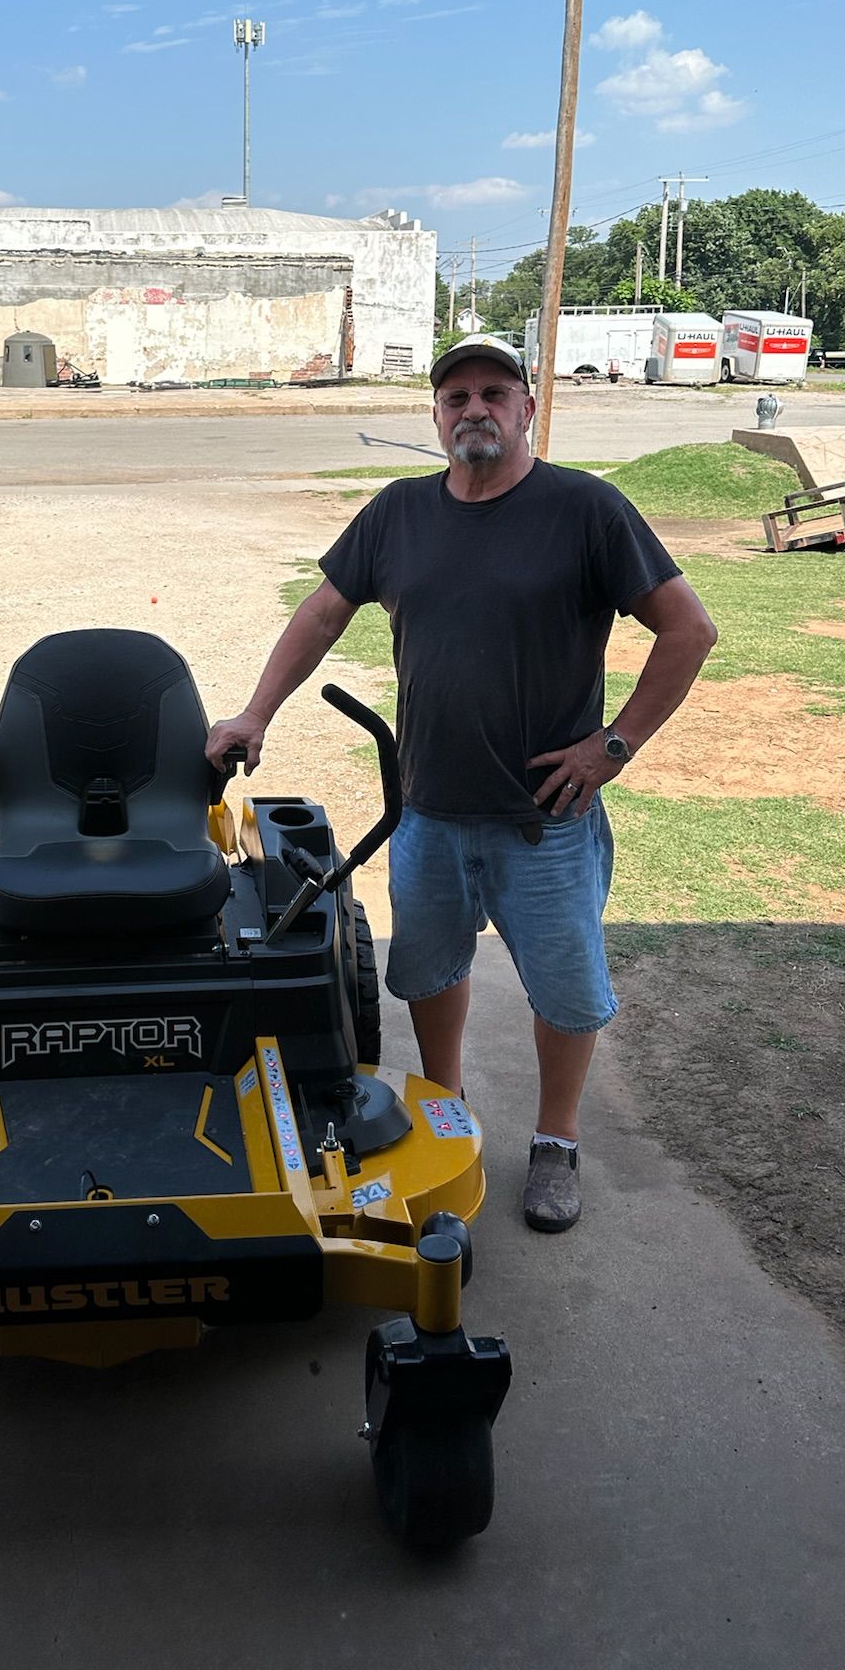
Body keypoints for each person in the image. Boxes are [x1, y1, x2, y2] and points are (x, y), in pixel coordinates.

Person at [206, 333, 717, 1233]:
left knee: (565, 992)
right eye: (455, 398)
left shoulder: (587, 510)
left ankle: (556, 1141)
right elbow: (323, 612)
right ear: (436, 417)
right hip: (429, 811)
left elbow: (688, 630)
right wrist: (255, 713)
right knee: (430, 974)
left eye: (493, 392)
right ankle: (447, 1108)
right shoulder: (398, 513)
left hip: (544, 821)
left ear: (527, 409)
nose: (473, 409)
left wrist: (613, 745)